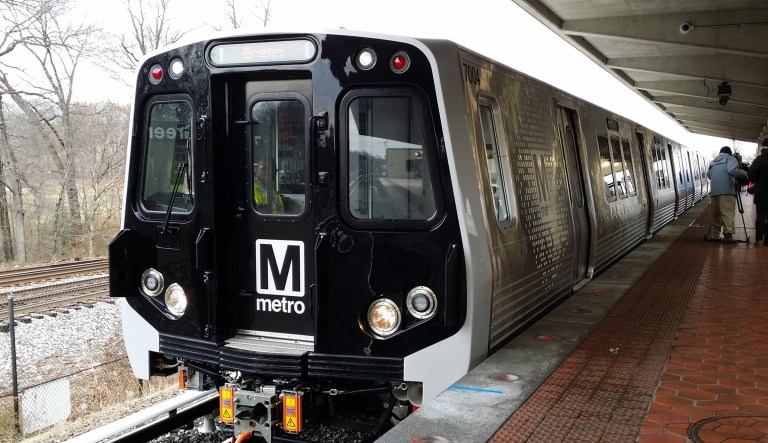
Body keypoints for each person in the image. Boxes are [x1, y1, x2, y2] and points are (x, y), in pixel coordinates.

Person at [705, 146, 748, 243]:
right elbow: (732, 170)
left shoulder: (713, 161)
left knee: (715, 214)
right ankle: (728, 236)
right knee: (727, 212)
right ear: (729, 152)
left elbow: (709, 175)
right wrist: (745, 173)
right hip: (727, 190)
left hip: (714, 191)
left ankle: (714, 236)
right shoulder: (730, 158)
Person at [748, 139, 768, 245]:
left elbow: (751, 176)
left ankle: (759, 238)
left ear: (763, 146)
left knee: (760, 216)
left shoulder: (759, 160)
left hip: (761, 193)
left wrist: (758, 180)